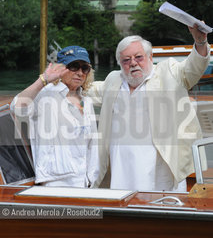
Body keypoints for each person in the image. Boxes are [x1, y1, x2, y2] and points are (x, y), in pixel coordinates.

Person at [89, 25, 210, 192]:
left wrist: (200, 42)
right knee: (124, 213)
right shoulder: (113, 79)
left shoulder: (169, 72)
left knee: (163, 210)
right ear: (120, 64)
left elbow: (194, 67)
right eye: (126, 60)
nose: (132, 63)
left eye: (138, 57)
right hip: (120, 171)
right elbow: (89, 90)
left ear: (150, 57)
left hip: (161, 171)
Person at [10, 46, 99, 187]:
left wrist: (91, 179)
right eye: (74, 66)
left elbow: (92, 145)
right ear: (61, 69)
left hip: (83, 180)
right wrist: (43, 80)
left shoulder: (86, 101)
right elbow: (17, 108)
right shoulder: (45, 93)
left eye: (85, 68)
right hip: (55, 181)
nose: (80, 73)